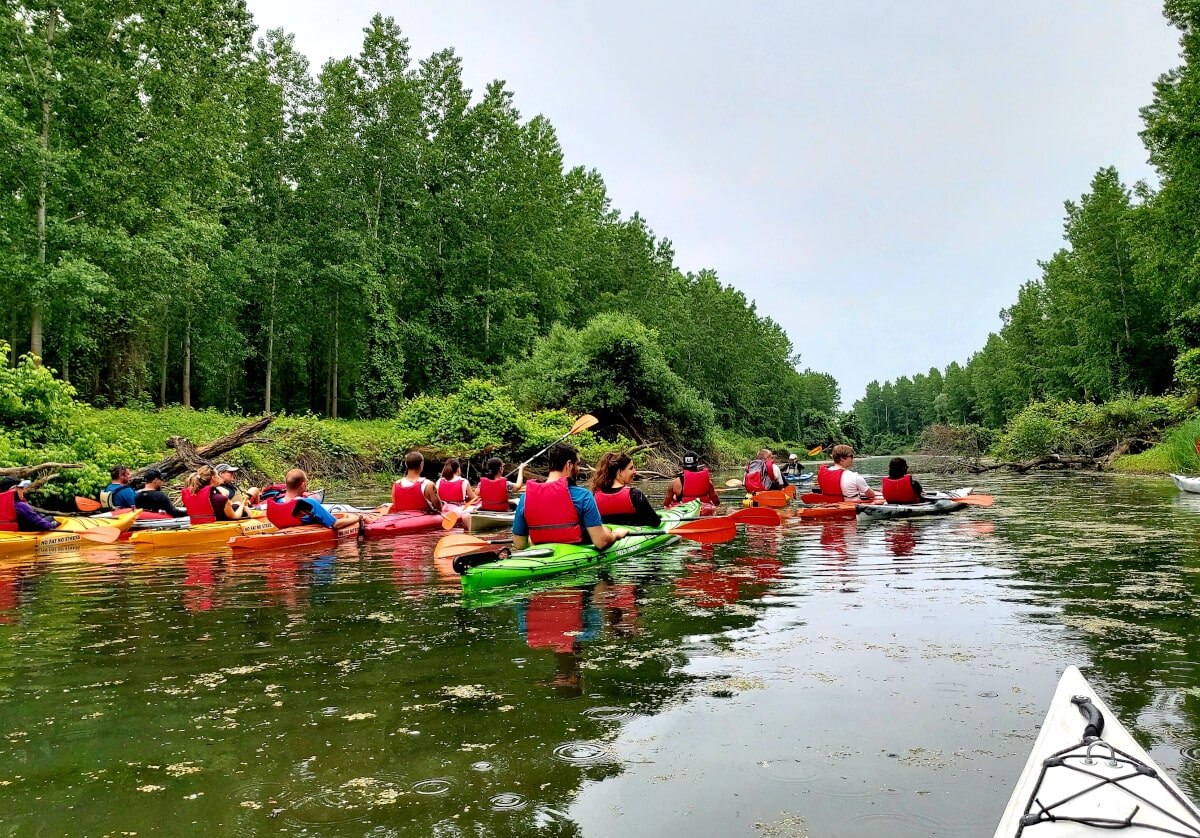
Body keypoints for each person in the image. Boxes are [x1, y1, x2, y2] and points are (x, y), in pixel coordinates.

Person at [512, 444, 628, 550]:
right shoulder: (583, 496)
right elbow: (601, 542)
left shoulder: (525, 498)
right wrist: (616, 534)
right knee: (607, 531)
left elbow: (519, 544)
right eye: (577, 464)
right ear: (569, 464)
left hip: (542, 558)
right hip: (576, 559)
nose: (578, 468)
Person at [265, 468, 360, 531]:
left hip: (285, 534)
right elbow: (336, 524)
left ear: (286, 484)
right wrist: (358, 518)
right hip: (308, 549)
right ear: (302, 484)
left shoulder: (276, 502)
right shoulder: (308, 503)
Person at [590, 452, 661, 527]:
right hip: (635, 535)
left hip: (608, 535)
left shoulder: (594, 496)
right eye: (631, 468)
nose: (635, 471)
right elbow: (655, 522)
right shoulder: (634, 494)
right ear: (620, 472)